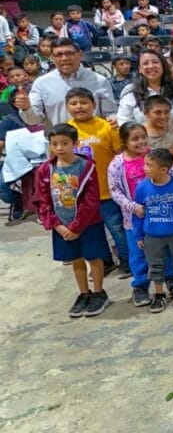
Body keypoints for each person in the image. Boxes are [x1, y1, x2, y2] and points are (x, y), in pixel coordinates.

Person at [35, 123, 111, 318]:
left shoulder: (86, 167)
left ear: (75, 144)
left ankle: (99, 293)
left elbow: (91, 201)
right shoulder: (45, 170)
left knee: (94, 257)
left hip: (88, 224)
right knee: (75, 259)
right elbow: (43, 200)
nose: (59, 148)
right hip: (62, 225)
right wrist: (57, 225)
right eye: (54, 144)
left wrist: (76, 227)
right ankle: (84, 293)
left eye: (64, 143)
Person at [66, 88, 130, 278]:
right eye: (73, 103)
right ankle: (104, 261)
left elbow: (121, 154)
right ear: (67, 107)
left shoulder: (107, 127)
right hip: (80, 195)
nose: (79, 107)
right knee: (93, 232)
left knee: (116, 228)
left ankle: (126, 261)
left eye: (84, 102)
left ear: (93, 105)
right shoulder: (66, 130)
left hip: (106, 190)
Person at [132, 148, 173, 312]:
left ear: (163, 170)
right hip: (152, 237)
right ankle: (159, 294)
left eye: (149, 165)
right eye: (145, 164)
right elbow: (137, 213)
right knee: (155, 266)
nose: (144, 168)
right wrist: (139, 235)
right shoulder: (142, 187)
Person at [14, 37, 117, 127]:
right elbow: (34, 121)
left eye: (69, 53)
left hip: (93, 140)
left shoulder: (99, 81)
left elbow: (110, 113)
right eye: (58, 55)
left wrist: (113, 119)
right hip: (59, 141)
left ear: (80, 54)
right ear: (52, 58)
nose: (64, 58)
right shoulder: (42, 83)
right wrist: (26, 108)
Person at [117, 49, 173, 130]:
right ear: (139, 69)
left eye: (155, 62)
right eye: (145, 63)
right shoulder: (130, 91)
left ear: (163, 66)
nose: (151, 66)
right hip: (143, 139)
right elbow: (123, 121)